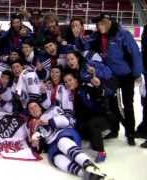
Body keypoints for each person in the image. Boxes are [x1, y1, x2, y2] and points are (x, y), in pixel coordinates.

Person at [90, 13, 144, 146]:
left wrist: (137, 73)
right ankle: (114, 129)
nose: (99, 26)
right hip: (111, 75)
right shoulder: (98, 36)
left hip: (127, 75)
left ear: (109, 22)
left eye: (102, 23)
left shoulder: (123, 34)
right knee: (112, 103)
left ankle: (130, 133)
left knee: (128, 104)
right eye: (98, 24)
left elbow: (135, 53)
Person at [27, 101, 110, 179]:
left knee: (62, 142)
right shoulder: (32, 126)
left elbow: (67, 121)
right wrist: (35, 144)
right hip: (52, 144)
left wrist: (49, 122)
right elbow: (37, 148)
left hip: (65, 134)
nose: (34, 109)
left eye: (35, 106)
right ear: (29, 112)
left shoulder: (52, 110)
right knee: (57, 159)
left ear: (40, 107)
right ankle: (87, 174)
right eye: (31, 109)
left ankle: (89, 165)